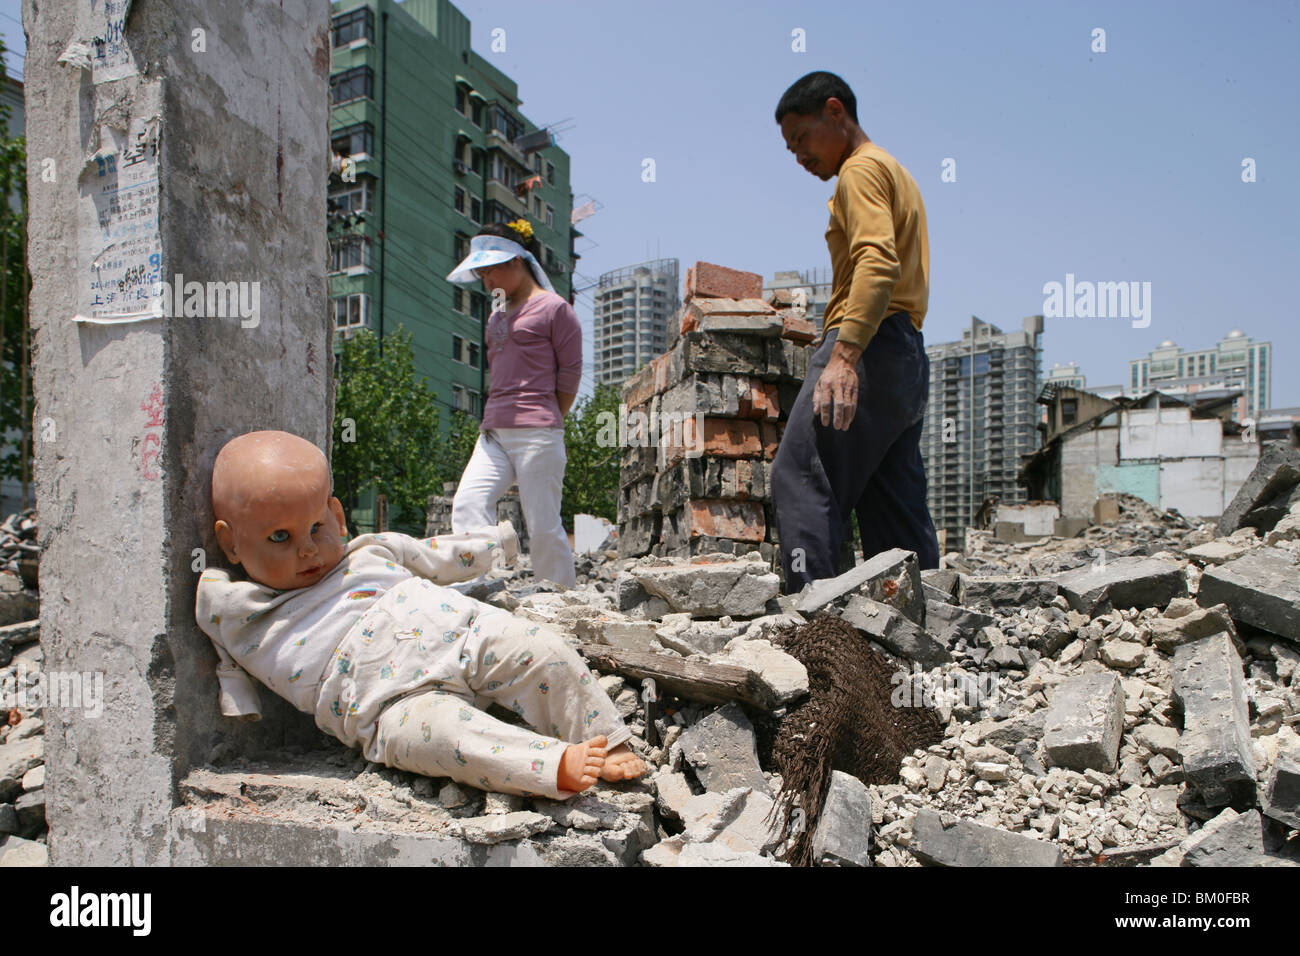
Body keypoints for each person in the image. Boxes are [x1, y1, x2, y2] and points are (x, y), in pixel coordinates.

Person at [195, 430, 646, 799]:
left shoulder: (368, 553)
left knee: (540, 647)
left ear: (337, 514)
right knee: (447, 741)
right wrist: (239, 700)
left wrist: (495, 543)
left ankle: (603, 735)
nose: (307, 548)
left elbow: (435, 556)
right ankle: (548, 765)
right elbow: (221, 636)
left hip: (461, 635)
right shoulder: (246, 610)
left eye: (316, 528)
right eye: (279, 538)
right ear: (231, 543)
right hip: (391, 706)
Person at [770, 71, 941, 592]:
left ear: (835, 111)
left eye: (802, 138)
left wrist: (844, 355)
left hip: (865, 344)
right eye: (790, 148)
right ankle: (927, 619)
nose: (799, 156)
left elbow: (876, 261)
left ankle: (816, 631)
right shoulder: (894, 170)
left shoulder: (860, 172)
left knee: (799, 475)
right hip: (903, 353)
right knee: (891, 498)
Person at [445, 219, 581, 589]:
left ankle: (560, 601)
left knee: (542, 524)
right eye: (481, 274)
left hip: (537, 431)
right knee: (468, 503)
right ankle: (475, 587)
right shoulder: (496, 314)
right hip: (493, 432)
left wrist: (546, 418)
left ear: (516, 261)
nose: (486, 282)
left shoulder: (556, 310)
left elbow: (569, 375)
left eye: (490, 272)